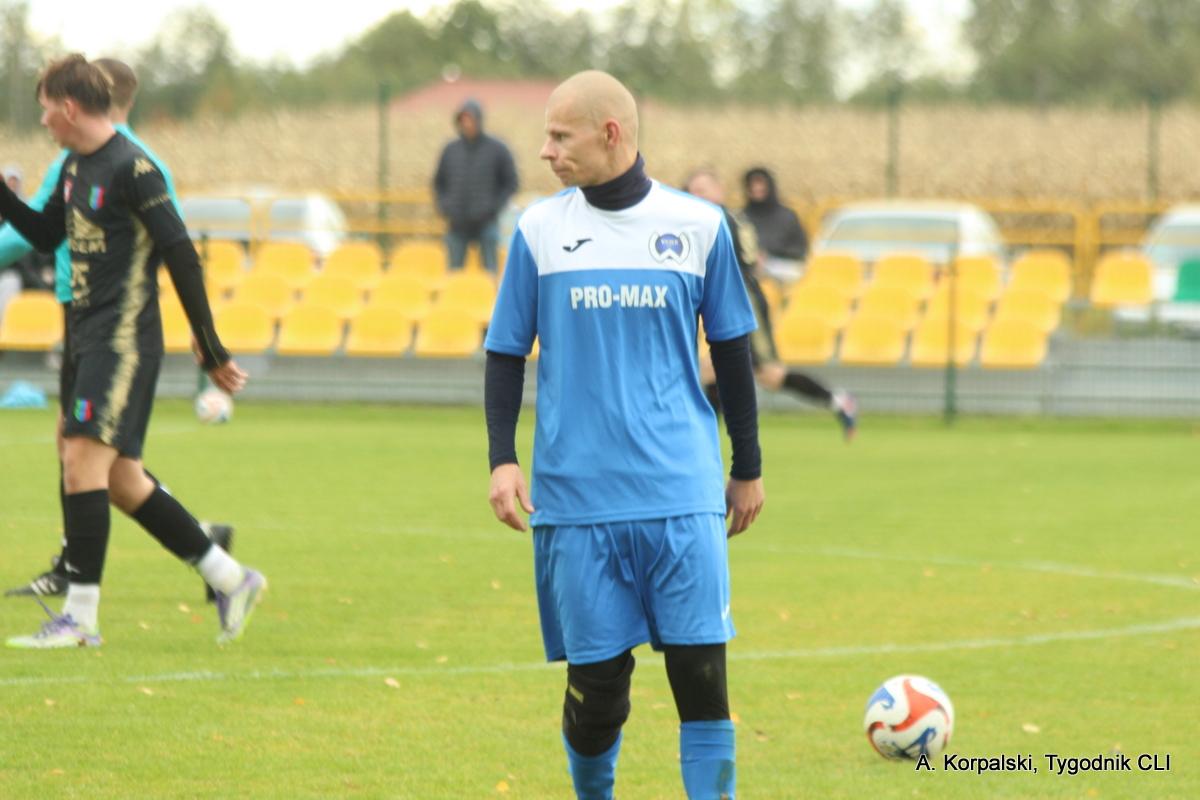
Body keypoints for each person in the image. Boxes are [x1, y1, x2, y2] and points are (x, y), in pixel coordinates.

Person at [485, 70, 764, 800]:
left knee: (702, 682)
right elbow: (505, 352)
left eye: (559, 135)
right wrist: (502, 459)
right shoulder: (539, 231)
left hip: (681, 496)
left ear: (610, 134)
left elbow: (734, 351)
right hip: (577, 504)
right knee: (599, 696)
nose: (545, 151)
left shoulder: (699, 227)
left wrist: (748, 465)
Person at [0, 54, 264, 649]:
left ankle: (80, 619)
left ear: (70, 107)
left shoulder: (135, 167)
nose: (42, 120)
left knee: (80, 459)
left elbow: (182, 255)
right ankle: (231, 577)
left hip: (121, 342)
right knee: (121, 481)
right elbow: (45, 234)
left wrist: (210, 347)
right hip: (86, 335)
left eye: (46, 108)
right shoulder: (75, 166)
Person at [684, 168, 857, 440]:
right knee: (710, 370)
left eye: (702, 190)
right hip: (720, 298)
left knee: (768, 373)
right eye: (691, 190)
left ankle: (839, 401)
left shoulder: (725, 220)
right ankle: (706, 440)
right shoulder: (709, 220)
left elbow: (747, 262)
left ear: (719, 191)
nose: (695, 195)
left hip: (742, 299)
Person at [432, 99, 518, 272]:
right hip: (456, 224)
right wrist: (445, 206)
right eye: (463, 120)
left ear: (479, 120)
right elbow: (438, 182)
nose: (467, 124)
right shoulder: (450, 150)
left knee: (490, 271)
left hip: (486, 222)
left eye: (470, 119)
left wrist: (494, 207)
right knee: (454, 274)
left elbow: (511, 182)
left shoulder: (497, 149)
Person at [741, 166, 809, 284]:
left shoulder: (787, 216)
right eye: (753, 186)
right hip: (751, 267)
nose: (757, 189)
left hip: (783, 266)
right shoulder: (742, 218)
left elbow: (800, 249)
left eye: (760, 185)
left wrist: (769, 254)